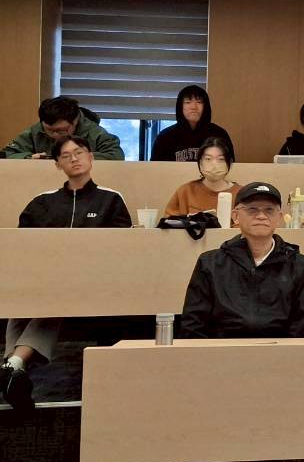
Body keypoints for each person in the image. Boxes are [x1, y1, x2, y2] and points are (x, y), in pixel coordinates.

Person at [180, 181, 304, 462]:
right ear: (235, 215)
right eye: (252, 209)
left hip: (274, 366)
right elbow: (193, 323)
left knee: (270, 424)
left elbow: (301, 325)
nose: (260, 216)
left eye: (269, 210)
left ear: (280, 217)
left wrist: (279, 364)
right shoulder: (211, 262)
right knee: (212, 428)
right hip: (220, 366)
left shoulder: (299, 264)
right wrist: (216, 364)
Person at [2, 135, 130, 413]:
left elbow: (121, 247)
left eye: (79, 152)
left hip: (92, 281)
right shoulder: (42, 202)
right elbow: (22, 245)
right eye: (65, 155)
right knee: (22, 294)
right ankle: (14, 368)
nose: (74, 158)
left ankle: (12, 363)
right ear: (58, 164)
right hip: (43, 277)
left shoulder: (110, 199)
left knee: (59, 294)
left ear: (91, 157)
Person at [2, 95, 123, 160]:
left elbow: (116, 156)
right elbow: (6, 154)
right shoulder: (35, 131)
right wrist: (28, 157)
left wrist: (79, 156)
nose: (55, 135)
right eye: (49, 130)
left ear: (75, 121)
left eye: (61, 131)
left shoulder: (95, 133)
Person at [151, 85, 235, 163]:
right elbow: (155, 169)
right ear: (180, 107)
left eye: (199, 102)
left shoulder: (219, 135)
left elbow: (229, 167)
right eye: (188, 102)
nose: (194, 107)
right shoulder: (165, 137)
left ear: (206, 106)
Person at [163, 137, 239, 217]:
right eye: (208, 159)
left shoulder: (240, 194)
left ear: (229, 163)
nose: (214, 164)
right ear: (200, 163)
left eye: (221, 159)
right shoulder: (185, 191)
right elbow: (168, 221)